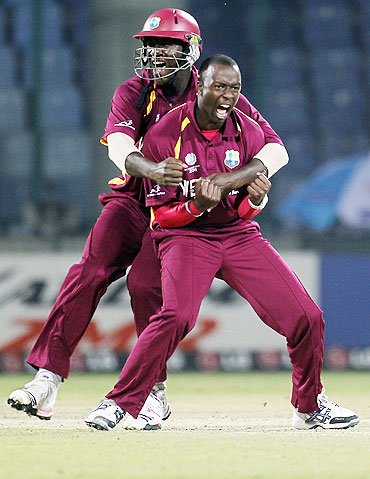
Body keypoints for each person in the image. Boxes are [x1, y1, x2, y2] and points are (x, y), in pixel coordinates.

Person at [8, 9, 288, 425]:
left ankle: (154, 393)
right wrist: (153, 170)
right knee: (89, 270)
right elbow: (118, 146)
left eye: (166, 47)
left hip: (185, 214)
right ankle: (47, 379)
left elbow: (275, 151)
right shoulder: (134, 91)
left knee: (143, 284)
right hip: (135, 199)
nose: (154, 56)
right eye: (150, 46)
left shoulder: (215, 87)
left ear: (191, 51)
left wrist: (230, 180)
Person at [85, 55, 359, 432]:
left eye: (234, 88)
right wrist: (197, 205)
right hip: (184, 236)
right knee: (177, 316)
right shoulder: (164, 134)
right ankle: (120, 402)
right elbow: (162, 217)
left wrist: (256, 199)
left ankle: (309, 407)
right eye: (219, 86)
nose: (227, 95)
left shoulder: (249, 132)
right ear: (199, 87)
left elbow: (246, 209)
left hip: (236, 234)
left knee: (307, 317)